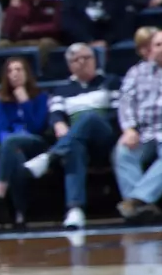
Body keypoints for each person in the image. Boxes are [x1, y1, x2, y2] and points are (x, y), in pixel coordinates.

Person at [16, 42, 118, 229]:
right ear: (70, 65)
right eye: (75, 60)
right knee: (73, 148)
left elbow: (118, 113)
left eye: (86, 58)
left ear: (95, 60)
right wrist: (58, 123)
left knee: (89, 117)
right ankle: (75, 210)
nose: (82, 62)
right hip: (77, 141)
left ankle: (50, 156)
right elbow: (55, 114)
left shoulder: (111, 82)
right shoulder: (61, 90)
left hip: (106, 137)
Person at [113, 29, 162, 223]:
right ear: (151, 49)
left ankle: (136, 202)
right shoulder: (137, 72)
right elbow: (125, 102)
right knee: (123, 151)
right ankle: (142, 207)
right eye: (158, 45)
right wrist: (129, 129)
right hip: (143, 131)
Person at [0, 57, 51, 228]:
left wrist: (26, 103)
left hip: (35, 143)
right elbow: (2, 130)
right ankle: (21, 213)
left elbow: (37, 127)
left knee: (11, 145)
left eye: (19, 69)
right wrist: (12, 146)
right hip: (10, 146)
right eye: (10, 71)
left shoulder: (41, 96)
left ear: (27, 73)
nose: (14, 74)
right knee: (15, 157)